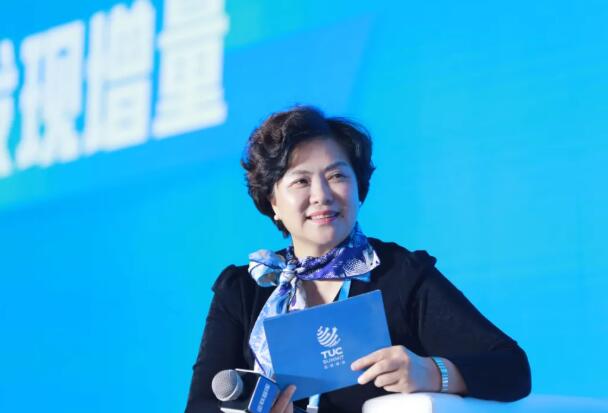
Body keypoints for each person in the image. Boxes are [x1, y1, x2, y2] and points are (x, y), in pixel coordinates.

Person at [184, 106, 531, 413]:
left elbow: (511, 368)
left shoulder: (400, 274)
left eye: (336, 176)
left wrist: (432, 373)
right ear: (273, 202)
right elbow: (201, 405)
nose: (321, 195)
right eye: (301, 181)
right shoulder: (245, 288)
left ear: (358, 187)